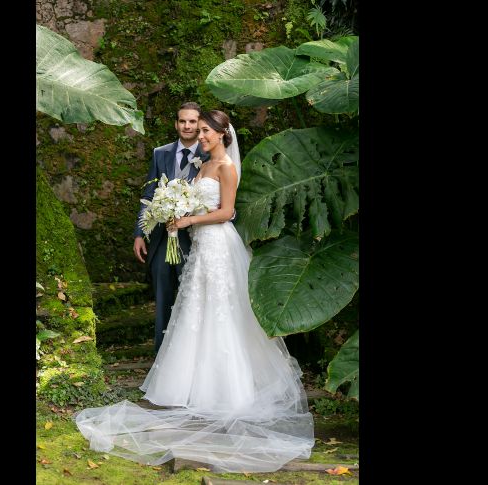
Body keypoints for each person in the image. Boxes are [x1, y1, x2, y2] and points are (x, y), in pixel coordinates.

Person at [76, 110, 315, 473]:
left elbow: (227, 212)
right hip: (200, 247)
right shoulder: (202, 166)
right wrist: (176, 215)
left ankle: (227, 389)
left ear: (221, 134)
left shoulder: (225, 169)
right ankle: (186, 387)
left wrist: (188, 218)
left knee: (222, 312)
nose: (199, 135)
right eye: (198, 130)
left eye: (205, 131)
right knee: (194, 311)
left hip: (218, 245)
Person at [133, 101, 208, 353]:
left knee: (192, 298)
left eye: (192, 121)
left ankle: (191, 355)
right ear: (176, 123)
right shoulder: (160, 153)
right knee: (163, 298)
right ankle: (161, 358)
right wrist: (140, 233)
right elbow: (149, 195)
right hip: (161, 239)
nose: (187, 126)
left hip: (194, 238)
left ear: (200, 124)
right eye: (182, 121)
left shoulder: (210, 154)